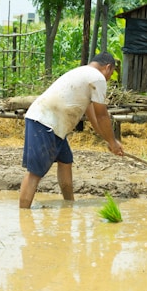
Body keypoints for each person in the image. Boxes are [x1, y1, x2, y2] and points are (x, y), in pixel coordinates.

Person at [19, 52, 124, 208]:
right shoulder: (98, 78)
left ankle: (69, 204)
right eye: (111, 74)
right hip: (46, 121)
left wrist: (108, 140)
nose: (109, 78)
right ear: (108, 67)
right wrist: (113, 142)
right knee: (35, 173)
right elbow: (102, 115)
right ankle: (24, 215)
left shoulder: (82, 74)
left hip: (56, 125)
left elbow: (93, 117)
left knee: (65, 161)